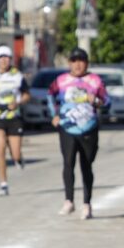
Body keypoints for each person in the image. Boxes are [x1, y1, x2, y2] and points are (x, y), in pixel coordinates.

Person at [47, 47, 109, 220]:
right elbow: (49, 96)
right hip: (67, 128)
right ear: (69, 63)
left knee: (86, 165)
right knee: (68, 162)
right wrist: (54, 115)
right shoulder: (61, 81)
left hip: (88, 128)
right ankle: (69, 200)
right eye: (74, 61)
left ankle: (87, 204)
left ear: (87, 63)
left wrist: (95, 101)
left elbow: (107, 101)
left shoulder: (95, 81)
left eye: (81, 61)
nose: (78, 64)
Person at [0, 45, 30, 197]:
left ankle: (18, 158)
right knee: (0, 149)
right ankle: (3, 184)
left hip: (14, 117)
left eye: (7, 57)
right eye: (2, 57)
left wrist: (18, 102)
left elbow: (27, 95)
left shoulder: (17, 76)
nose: (4, 60)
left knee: (14, 153)